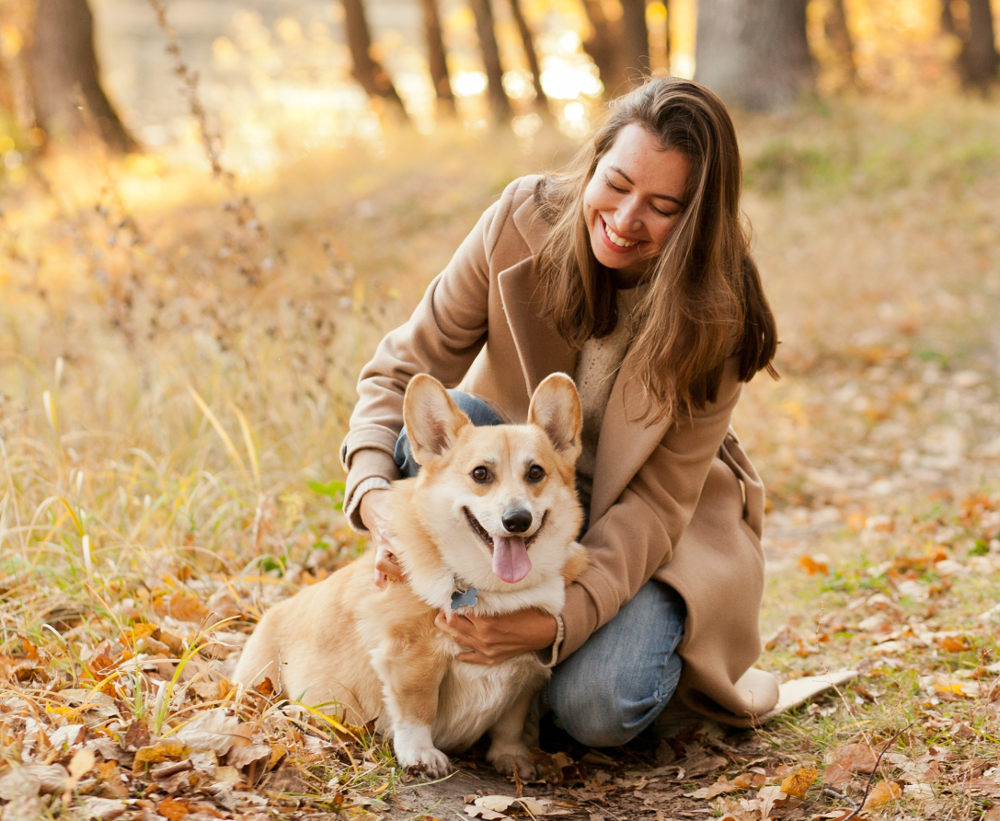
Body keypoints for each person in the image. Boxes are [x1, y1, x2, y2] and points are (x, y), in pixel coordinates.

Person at [338, 77, 781, 747]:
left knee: (598, 709)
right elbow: (402, 366)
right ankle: (447, 644)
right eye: (618, 182)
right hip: (524, 486)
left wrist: (557, 622)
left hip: (654, 528)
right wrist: (371, 493)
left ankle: (661, 663)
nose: (627, 219)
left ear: (695, 218)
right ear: (596, 159)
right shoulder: (520, 221)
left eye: (663, 206)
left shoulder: (718, 312)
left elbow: (657, 508)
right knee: (444, 412)